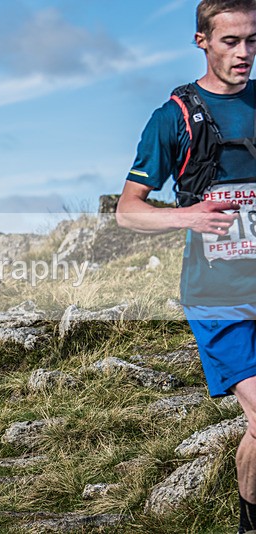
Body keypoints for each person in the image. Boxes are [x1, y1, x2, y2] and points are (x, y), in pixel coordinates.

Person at [116, 1, 256, 531]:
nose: (244, 53)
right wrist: (188, 215)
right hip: (219, 295)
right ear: (202, 41)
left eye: (252, 40)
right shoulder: (172, 118)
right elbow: (128, 212)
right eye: (230, 41)